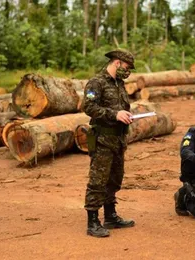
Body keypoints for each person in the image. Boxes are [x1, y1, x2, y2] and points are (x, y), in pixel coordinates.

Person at [83, 49, 135, 238]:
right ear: (117, 62)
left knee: (114, 178)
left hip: (118, 139)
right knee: (98, 179)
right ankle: (93, 221)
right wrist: (114, 114)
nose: (128, 71)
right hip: (102, 139)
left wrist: (126, 115)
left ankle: (110, 216)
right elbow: (88, 107)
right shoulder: (96, 82)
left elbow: (120, 108)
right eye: (127, 67)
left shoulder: (119, 84)